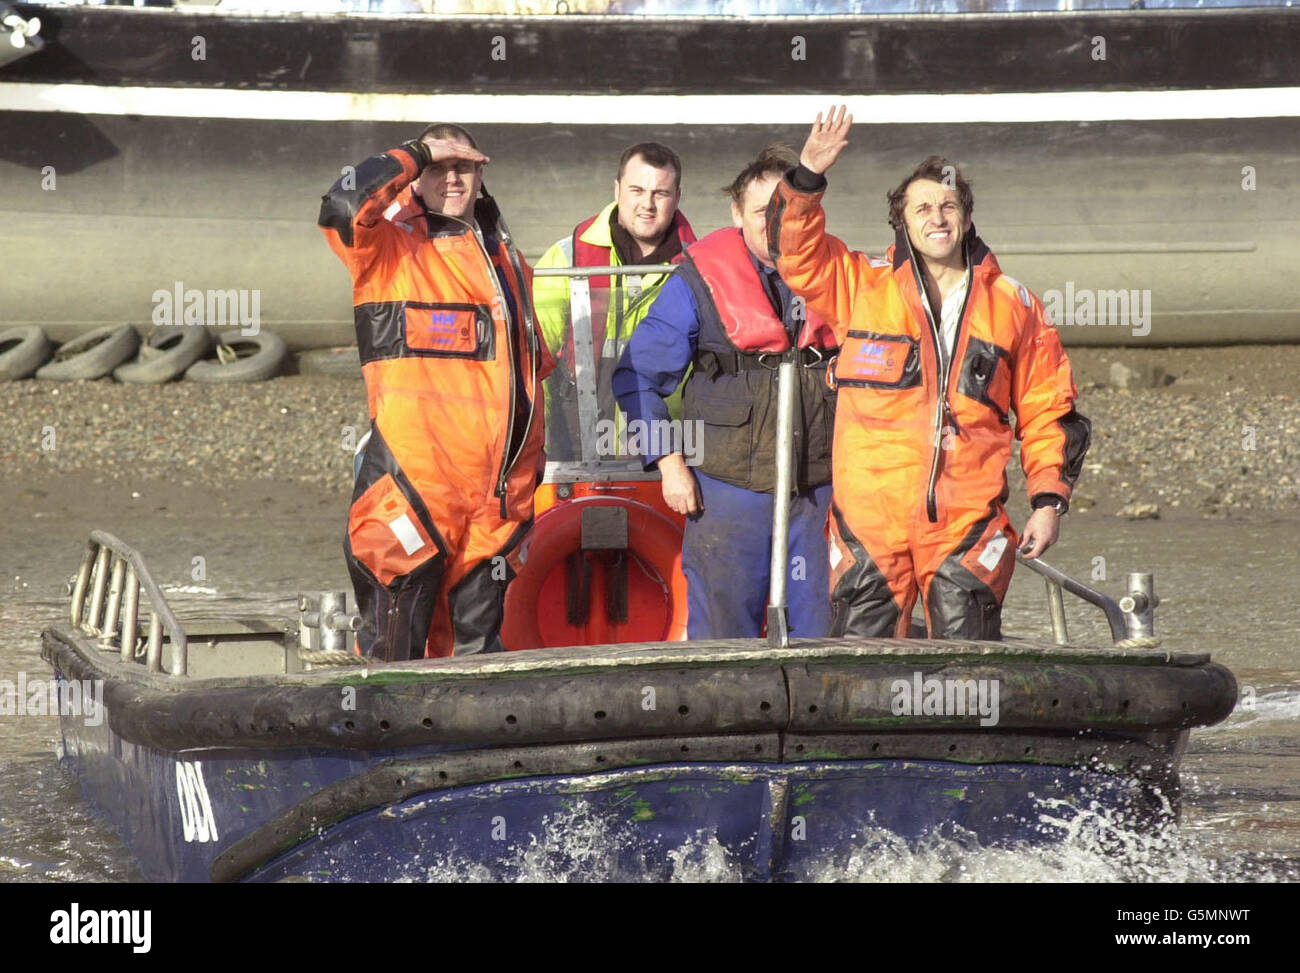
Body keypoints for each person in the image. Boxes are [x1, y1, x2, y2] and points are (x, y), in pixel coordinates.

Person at [768, 106, 1091, 640]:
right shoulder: (861, 288)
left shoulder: (1015, 305)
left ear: (966, 216)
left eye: (948, 205)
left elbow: (1048, 411)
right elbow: (794, 254)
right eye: (923, 208)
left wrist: (1048, 503)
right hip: (869, 523)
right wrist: (807, 175)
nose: (937, 217)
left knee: (971, 676)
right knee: (859, 674)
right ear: (902, 221)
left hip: (966, 523)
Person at [319, 123, 553, 660]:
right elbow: (340, 205)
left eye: (463, 166)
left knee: (474, 662)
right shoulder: (387, 252)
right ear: (415, 179)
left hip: (494, 511)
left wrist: (526, 487)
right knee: (391, 657)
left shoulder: (512, 266)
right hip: (413, 493)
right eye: (438, 168)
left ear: (480, 173)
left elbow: (533, 381)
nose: (451, 177)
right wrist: (415, 153)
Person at [612, 145, 840, 639]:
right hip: (727, 494)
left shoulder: (840, 278)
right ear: (737, 214)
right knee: (723, 640)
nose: (772, 222)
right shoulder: (695, 283)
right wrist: (669, 464)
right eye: (761, 211)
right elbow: (637, 376)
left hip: (819, 496)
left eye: (783, 209)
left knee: (822, 635)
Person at [533, 142, 697, 458]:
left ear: (677, 198)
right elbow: (534, 360)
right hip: (576, 452)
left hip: (666, 459)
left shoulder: (700, 268)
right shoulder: (567, 258)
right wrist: (537, 443)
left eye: (660, 193)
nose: (647, 204)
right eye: (637, 190)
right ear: (617, 189)